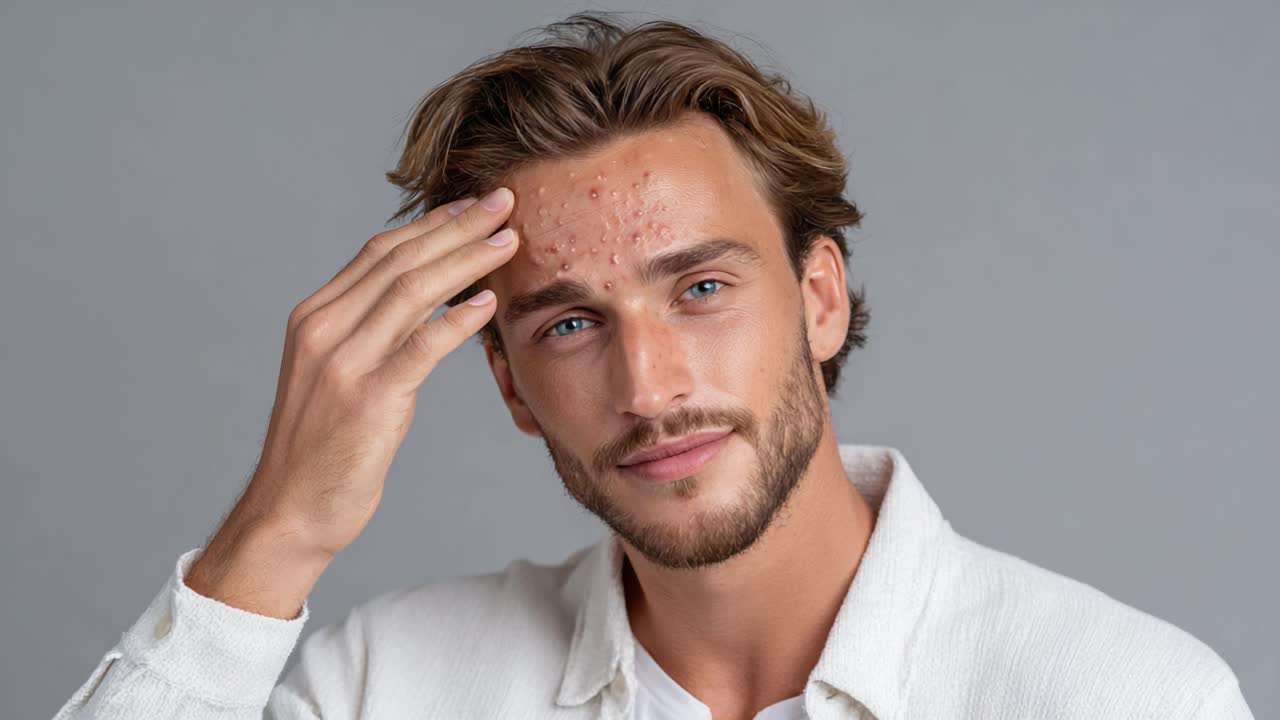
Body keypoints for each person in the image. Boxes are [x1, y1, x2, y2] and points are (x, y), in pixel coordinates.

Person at [53, 12, 1253, 720]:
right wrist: (271, 540)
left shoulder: (1115, 695)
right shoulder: (395, 683)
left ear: (818, 297)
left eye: (700, 288)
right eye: (569, 324)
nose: (648, 383)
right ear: (510, 387)